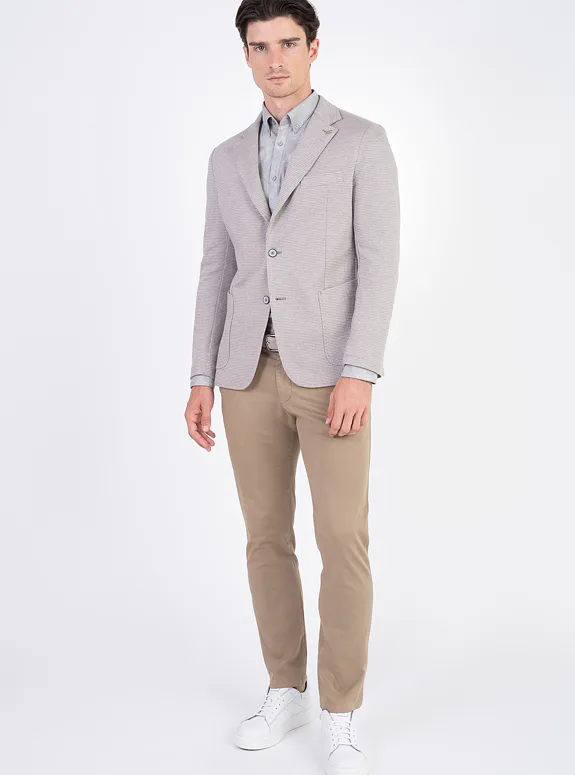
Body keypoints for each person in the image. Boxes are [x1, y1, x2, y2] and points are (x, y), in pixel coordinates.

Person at [184, 1, 400, 773]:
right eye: (259, 47)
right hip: (245, 374)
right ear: (244, 55)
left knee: (341, 539)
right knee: (265, 536)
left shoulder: (362, 142)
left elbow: (378, 265)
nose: (274, 60)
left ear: (313, 48)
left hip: (331, 375)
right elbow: (216, 270)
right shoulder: (225, 158)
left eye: (286, 44)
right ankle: (286, 686)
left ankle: (340, 709)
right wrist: (202, 375)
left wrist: (359, 371)